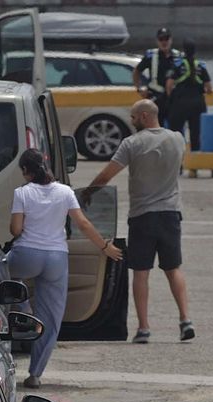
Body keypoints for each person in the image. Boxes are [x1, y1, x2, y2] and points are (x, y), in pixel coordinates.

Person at [80, 99, 194, 343]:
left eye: (133, 117)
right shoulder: (177, 139)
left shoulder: (132, 143)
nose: (131, 121)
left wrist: (88, 192)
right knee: (173, 269)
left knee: (141, 272)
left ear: (143, 116)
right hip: (171, 214)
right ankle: (185, 320)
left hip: (143, 216)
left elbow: (107, 174)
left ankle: (143, 328)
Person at [6, 149, 120, 389]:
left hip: (27, 254)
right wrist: (104, 246)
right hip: (57, 257)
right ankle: (35, 373)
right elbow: (83, 224)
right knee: (52, 317)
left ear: (26, 171)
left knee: (0, 278)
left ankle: (23, 313)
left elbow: (16, 230)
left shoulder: (22, 193)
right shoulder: (65, 192)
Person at [166, 40, 213, 151]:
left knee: (176, 133)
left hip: (180, 103)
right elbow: (209, 88)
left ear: (184, 50)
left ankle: (179, 163)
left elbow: (169, 84)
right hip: (198, 104)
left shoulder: (178, 64)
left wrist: (170, 97)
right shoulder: (201, 66)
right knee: (195, 134)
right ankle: (194, 164)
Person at [134, 27, 181, 126]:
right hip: (155, 97)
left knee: (175, 128)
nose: (164, 42)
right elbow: (137, 71)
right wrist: (139, 88)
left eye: (166, 39)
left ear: (171, 40)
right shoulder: (151, 55)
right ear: (157, 41)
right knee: (155, 128)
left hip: (173, 99)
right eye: (161, 39)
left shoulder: (179, 56)